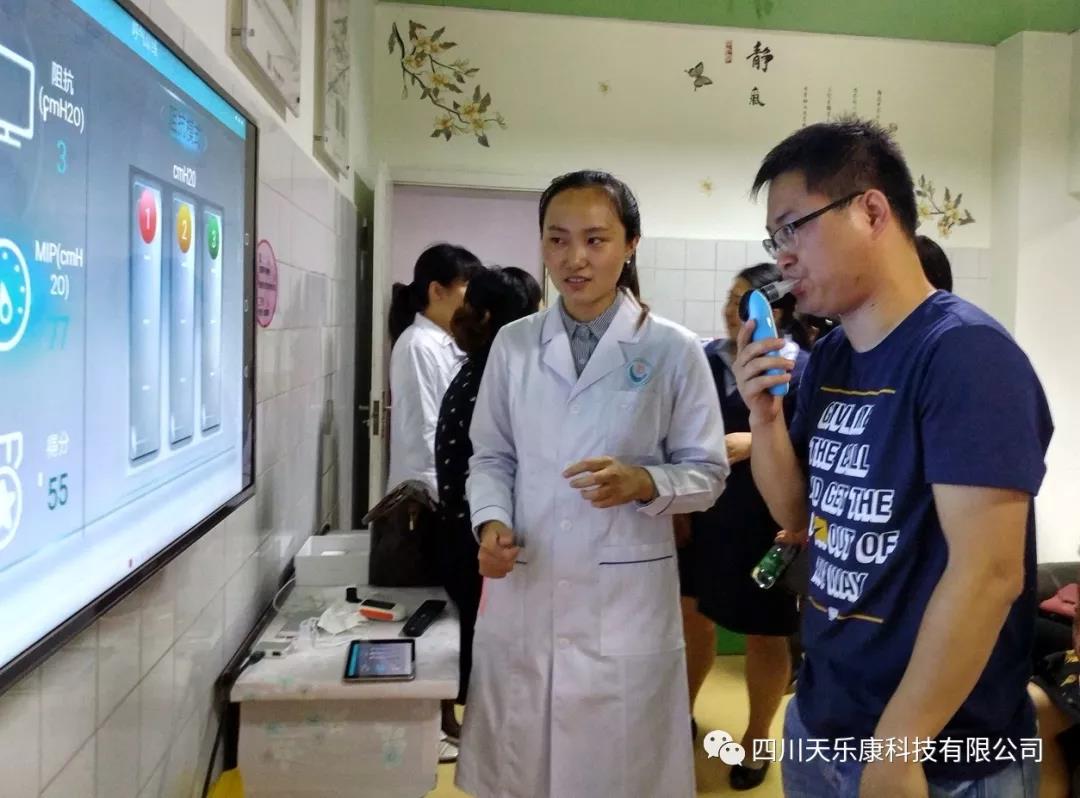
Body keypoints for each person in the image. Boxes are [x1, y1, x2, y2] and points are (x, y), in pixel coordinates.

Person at [734, 118, 1053, 797]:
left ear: (872, 210)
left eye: (792, 228)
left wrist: (899, 745)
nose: (782, 258)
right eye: (773, 239)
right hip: (823, 720)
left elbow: (989, 572)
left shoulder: (966, 356)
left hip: (938, 753)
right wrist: (764, 418)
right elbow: (796, 513)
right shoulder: (831, 358)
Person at [455, 170, 729, 798]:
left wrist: (643, 481)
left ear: (631, 244)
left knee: (617, 772)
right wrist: (491, 522)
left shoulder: (673, 349)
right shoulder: (513, 345)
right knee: (525, 768)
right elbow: (490, 456)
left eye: (596, 240)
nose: (574, 258)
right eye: (557, 240)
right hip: (528, 584)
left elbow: (708, 473)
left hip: (625, 600)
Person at [677, 262, 809, 791]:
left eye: (744, 302)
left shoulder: (801, 367)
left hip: (766, 519)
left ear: (774, 311)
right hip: (705, 515)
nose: (731, 312)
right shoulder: (706, 359)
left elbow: (818, 441)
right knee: (692, 617)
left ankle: (757, 741)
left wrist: (756, 442)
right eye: (730, 300)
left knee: (764, 631)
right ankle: (681, 714)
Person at [385, 242, 484, 761]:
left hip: (442, 495)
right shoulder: (419, 345)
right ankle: (435, 721)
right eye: (465, 289)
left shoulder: (441, 342)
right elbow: (428, 432)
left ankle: (444, 716)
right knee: (432, 612)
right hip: (426, 498)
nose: (470, 301)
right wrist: (448, 500)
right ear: (437, 291)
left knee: (445, 612)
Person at [435, 266, 542, 718]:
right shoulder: (495, 378)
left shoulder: (477, 368)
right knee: (489, 656)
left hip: (465, 528)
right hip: (481, 534)